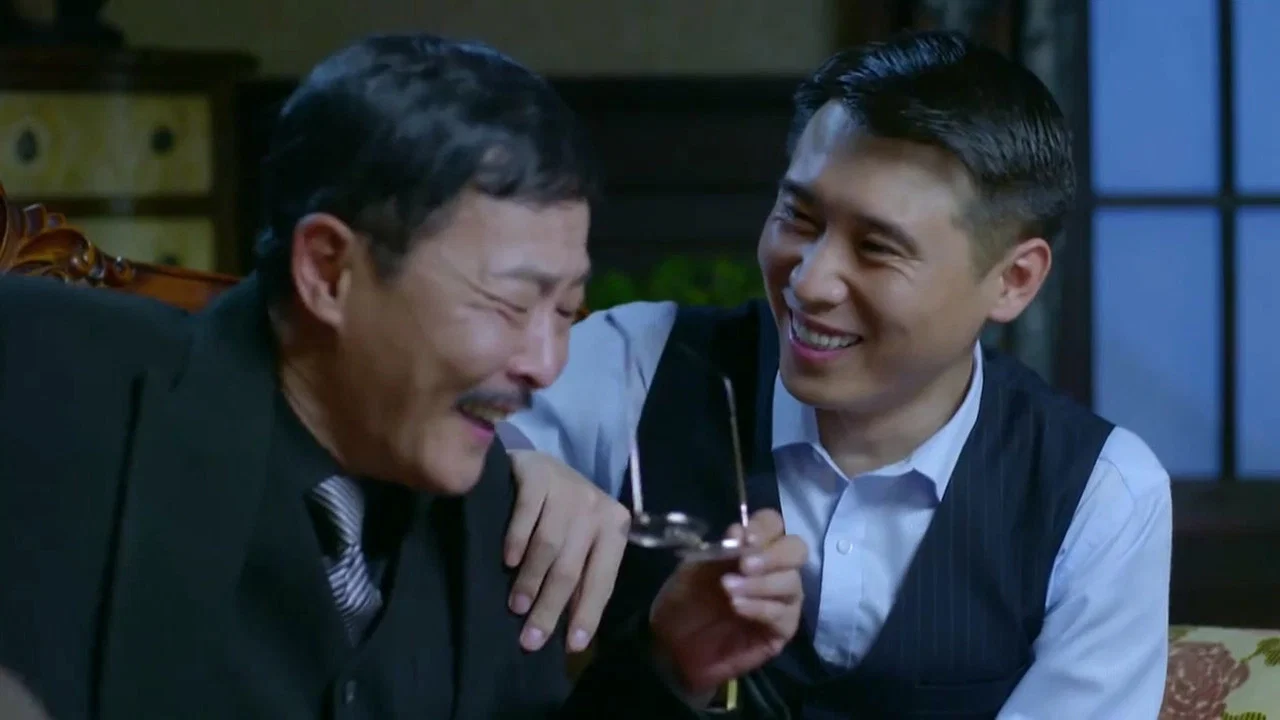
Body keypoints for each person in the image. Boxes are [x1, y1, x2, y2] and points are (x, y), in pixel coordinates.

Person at [0, 34, 806, 719]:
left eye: (566, 311)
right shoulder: (58, 380)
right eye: (507, 303)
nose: (546, 364)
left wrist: (669, 668)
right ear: (328, 270)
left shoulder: (503, 513)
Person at [502, 30, 1172, 719]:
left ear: (1014, 280)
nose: (810, 281)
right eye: (798, 217)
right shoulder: (633, 365)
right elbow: (441, 477)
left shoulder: (1099, 496)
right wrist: (513, 469)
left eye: (877, 248)